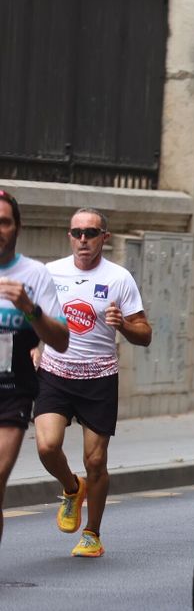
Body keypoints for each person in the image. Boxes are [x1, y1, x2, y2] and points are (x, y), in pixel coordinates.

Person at [32, 208, 152, 558]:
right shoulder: (50, 273)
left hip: (99, 378)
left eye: (91, 233)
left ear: (105, 237)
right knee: (46, 446)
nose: (83, 240)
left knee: (95, 461)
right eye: (77, 233)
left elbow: (145, 334)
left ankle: (92, 534)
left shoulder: (119, 278)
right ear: (69, 236)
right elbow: (28, 316)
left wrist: (124, 326)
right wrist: (31, 350)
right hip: (55, 371)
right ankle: (72, 489)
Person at [0, 189, 69, 553]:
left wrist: (30, 308)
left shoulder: (34, 275)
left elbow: (61, 341)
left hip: (11, 390)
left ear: (17, 228)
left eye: (4, 222)